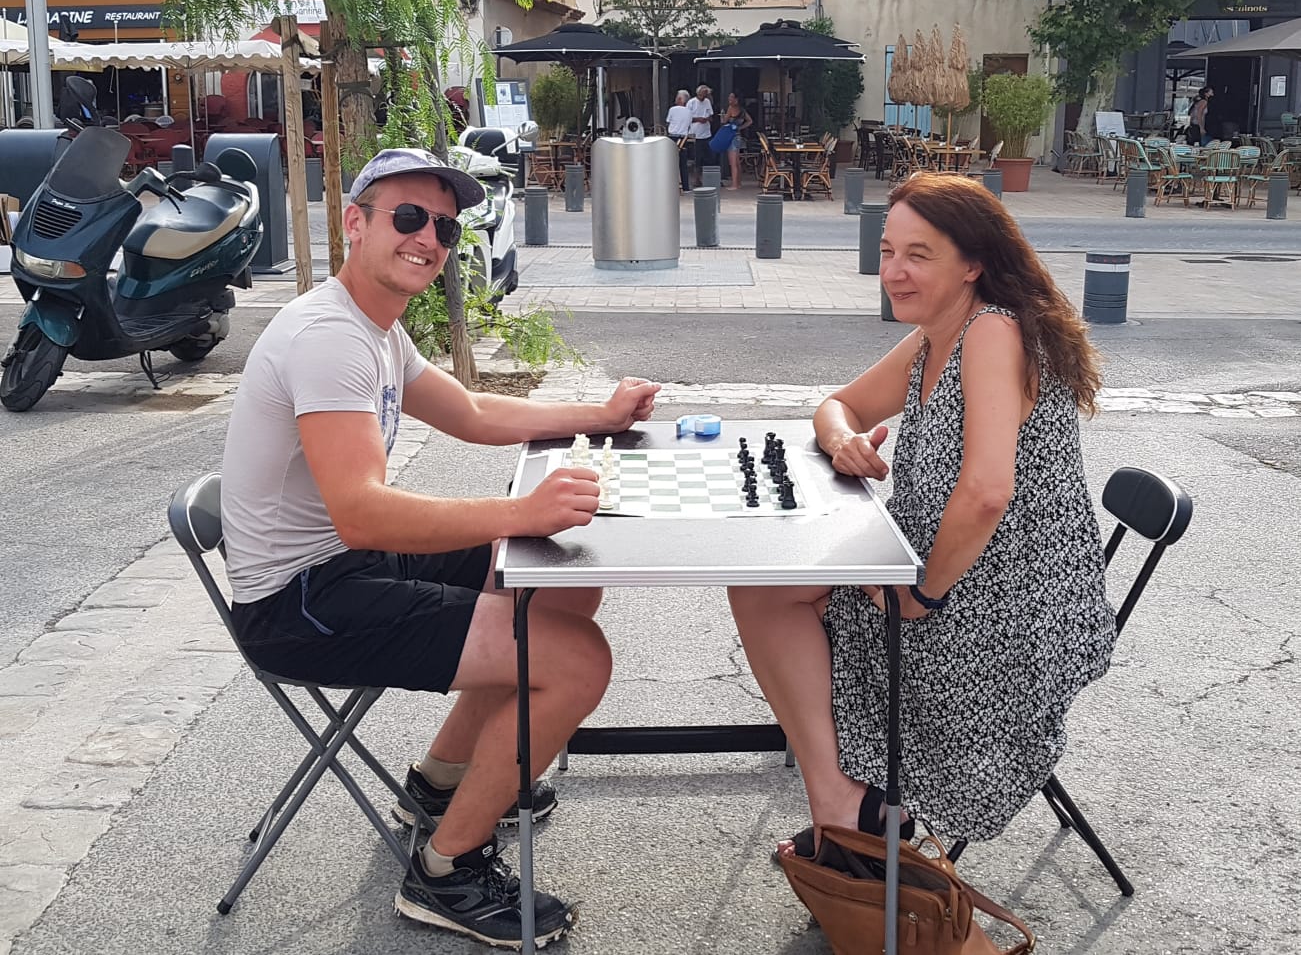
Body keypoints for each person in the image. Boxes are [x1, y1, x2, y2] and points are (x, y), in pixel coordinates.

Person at [220, 147, 660, 948]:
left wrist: (597, 415)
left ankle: (439, 785)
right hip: (297, 602)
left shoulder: (374, 326)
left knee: (561, 579)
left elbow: (472, 413)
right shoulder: (328, 338)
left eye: (445, 227)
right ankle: (445, 872)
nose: (428, 238)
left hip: (342, 566)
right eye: (408, 217)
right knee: (575, 662)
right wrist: (519, 511)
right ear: (355, 224)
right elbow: (363, 514)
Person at [729, 172, 1116, 858]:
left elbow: (986, 492)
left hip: (1003, 609)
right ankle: (846, 799)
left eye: (918, 254)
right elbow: (838, 405)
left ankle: (847, 805)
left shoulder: (991, 332)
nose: (893, 272)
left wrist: (920, 594)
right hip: (953, 571)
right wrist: (842, 441)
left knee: (766, 592)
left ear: (972, 264)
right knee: (763, 585)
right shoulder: (939, 334)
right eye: (886, 251)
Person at [720, 92, 753, 190]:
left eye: (731, 97)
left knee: (732, 162)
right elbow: (750, 121)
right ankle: (738, 182)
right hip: (738, 135)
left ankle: (734, 184)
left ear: (736, 100)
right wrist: (741, 127)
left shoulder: (730, 108)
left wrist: (722, 116)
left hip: (731, 136)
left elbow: (724, 121)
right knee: (737, 161)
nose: (729, 99)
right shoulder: (742, 111)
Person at [687, 83, 715, 186]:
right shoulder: (691, 102)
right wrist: (698, 119)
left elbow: (711, 115)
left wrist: (707, 119)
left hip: (706, 133)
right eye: (704, 93)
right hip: (695, 134)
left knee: (709, 157)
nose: (705, 96)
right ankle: (696, 179)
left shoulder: (707, 102)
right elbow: (687, 118)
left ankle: (710, 178)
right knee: (697, 158)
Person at [666, 88, 693, 193]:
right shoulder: (689, 112)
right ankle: (685, 187)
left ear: (680, 99)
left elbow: (668, 122)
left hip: (673, 136)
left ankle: (671, 186)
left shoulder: (672, 109)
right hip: (683, 138)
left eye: (677, 97)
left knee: (670, 163)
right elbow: (689, 125)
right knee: (683, 163)